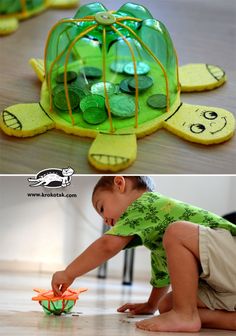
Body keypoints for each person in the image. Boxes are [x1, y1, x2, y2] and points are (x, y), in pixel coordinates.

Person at [51, 176, 236, 332]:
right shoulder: (155, 230)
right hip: (227, 280)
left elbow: (107, 245)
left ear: (119, 184)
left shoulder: (146, 203)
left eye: (102, 208)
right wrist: (151, 305)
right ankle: (215, 318)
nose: (106, 221)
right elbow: (163, 273)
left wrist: (68, 273)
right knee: (167, 306)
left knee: (177, 231)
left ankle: (185, 315)